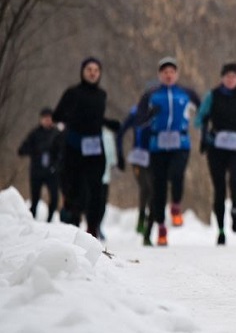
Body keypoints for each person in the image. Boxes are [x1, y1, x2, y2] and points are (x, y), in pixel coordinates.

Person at [135, 56, 201, 246]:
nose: (168, 75)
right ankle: (161, 228)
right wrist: (150, 114)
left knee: (177, 174)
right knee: (159, 188)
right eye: (165, 72)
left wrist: (198, 121)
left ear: (177, 74)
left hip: (181, 143)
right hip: (158, 145)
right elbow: (139, 121)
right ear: (159, 75)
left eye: (172, 72)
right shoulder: (150, 95)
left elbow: (203, 110)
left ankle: (176, 206)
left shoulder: (186, 93)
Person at [52, 57, 119, 237]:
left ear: (100, 74)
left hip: (95, 148)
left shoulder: (102, 95)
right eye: (89, 69)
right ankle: (73, 225)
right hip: (74, 147)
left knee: (96, 190)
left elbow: (96, 118)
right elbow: (57, 116)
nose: (92, 73)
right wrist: (71, 120)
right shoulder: (72, 93)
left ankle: (92, 229)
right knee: (75, 189)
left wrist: (109, 123)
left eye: (96, 70)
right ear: (82, 71)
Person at [195, 63, 236, 245]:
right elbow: (200, 118)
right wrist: (204, 134)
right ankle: (220, 229)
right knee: (219, 188)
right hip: (216, 147)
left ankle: (235, 208)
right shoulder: (212, 96)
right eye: (227, 76)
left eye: (234, 77)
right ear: (222, 78)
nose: (230, 80)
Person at [17, 107, 61, 222]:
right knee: (35, 198)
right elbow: (21, 150)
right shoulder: (34, 134)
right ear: (41, 119)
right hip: (37, 171)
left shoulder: (57, 134)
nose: (47, 120)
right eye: (45, 118)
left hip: (52, 172)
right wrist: (36, 150)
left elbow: (62, 152)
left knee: (54, 198)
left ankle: (49, 220)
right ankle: (30, 221)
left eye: (49, 118)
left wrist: (56, 165)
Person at [118, 104, 153, 241]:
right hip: (138, 158)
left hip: (157, 157)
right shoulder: (136, 112)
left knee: (154, 193)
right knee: (145, 188)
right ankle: (142, 216)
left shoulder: (162, 110)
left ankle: (148, 231)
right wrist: (119, 155)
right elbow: (121, 132)